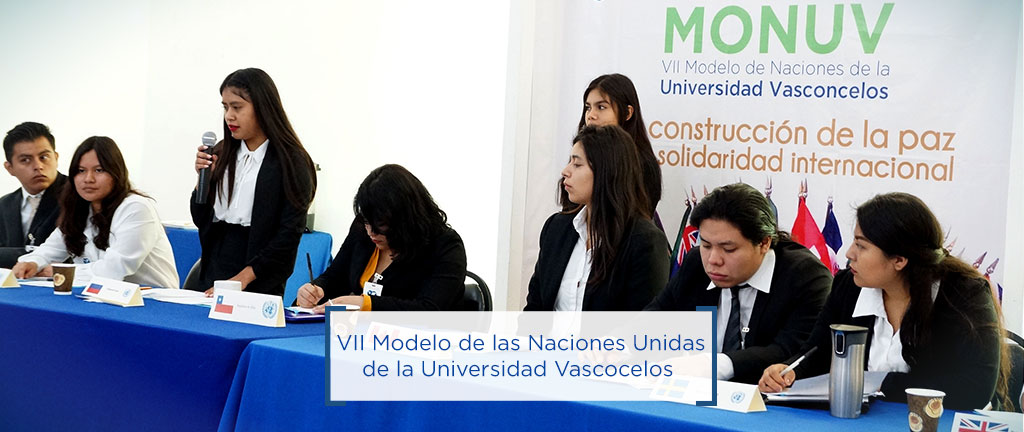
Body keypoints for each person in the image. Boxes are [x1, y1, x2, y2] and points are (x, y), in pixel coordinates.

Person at [758, 193, 1012, 411]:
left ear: (899, 260)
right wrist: (789, 371)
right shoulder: (849, 286)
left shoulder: (963, 293)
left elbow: (975, 388)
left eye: (861, 246)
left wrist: (880, 382)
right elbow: (818, 351)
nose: (849, 254)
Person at [645, 183, 832, 384]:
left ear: (764, 243)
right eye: (706, 245)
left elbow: (792, 352)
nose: (713, 260)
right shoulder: (696, 264)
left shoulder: (805, 277)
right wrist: (627, 345)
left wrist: (715, 365)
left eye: (728, 249)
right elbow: (656, 317)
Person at [192, 68, 317, 297]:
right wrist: (203, 182)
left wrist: (243, 278)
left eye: (237, 107)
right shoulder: (221, 151)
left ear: (262, 107)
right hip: (214, 266)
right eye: (225, 107)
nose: (229, 116)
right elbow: (201, 219)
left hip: (259, 276)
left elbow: (288, 234)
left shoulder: (291, 162)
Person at [526, 125, 669, 311]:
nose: (565, 171)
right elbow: (534, 309)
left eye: (577, 164)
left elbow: (643, 321)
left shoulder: (645, 241)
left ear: (607, 171)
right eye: (569, 162)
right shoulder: (556, 228)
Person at [296, 164, 466, 312]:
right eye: (367, 222)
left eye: (381, 224)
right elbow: (335, 276)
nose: (371, 232)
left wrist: (366, 304)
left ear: (406, 218)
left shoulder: (446, 246)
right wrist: (316, 290)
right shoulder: (362, 229)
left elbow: (429, 310)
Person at [12, 136, 178, 288]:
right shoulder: (81, 209)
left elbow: (115, 269)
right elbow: (48, 250)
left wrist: (61, 272)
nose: (88, 179)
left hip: (152, 300)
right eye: (81, 171)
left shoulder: (136, 208)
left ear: (116, 173)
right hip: (98, 296)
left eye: (99, 170)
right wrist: (32, 263)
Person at [570, 73, 663, 231]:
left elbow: (633, 224)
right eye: (588, 107)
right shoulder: (581, 152)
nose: (591, 115)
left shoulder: (643, 164)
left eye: (601, 107)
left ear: (627, 113)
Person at [0, 122, 68, 268]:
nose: (38, 166)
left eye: (44, 157)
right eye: (25, 160)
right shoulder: (4, 205)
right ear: (9, 168)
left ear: (56, 158)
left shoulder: (78, 195)